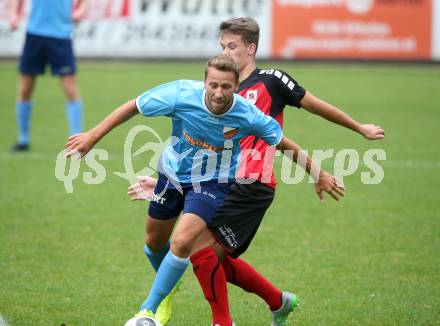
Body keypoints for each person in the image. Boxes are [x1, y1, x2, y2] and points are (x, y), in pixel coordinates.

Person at [129, 17, 384, 326]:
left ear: (251, 49)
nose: (226, 52)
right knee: (211, 256)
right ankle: (277, 302)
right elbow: (202, 146)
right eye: (222, 46)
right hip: (221, 179)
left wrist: (357, 130)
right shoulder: (219, 92)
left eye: (232, 46)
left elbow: (312, 108)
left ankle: (222, 320)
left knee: (198, 248)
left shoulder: (271, 80)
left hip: (252, 183)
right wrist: (167, 183)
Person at [9, 0, 87, 152]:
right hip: (35, 34)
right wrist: (13, 14)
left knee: (71, 90)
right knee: (25, 89)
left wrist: (82, 10)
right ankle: (23, 140)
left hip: (61, 36)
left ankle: (77, 141)